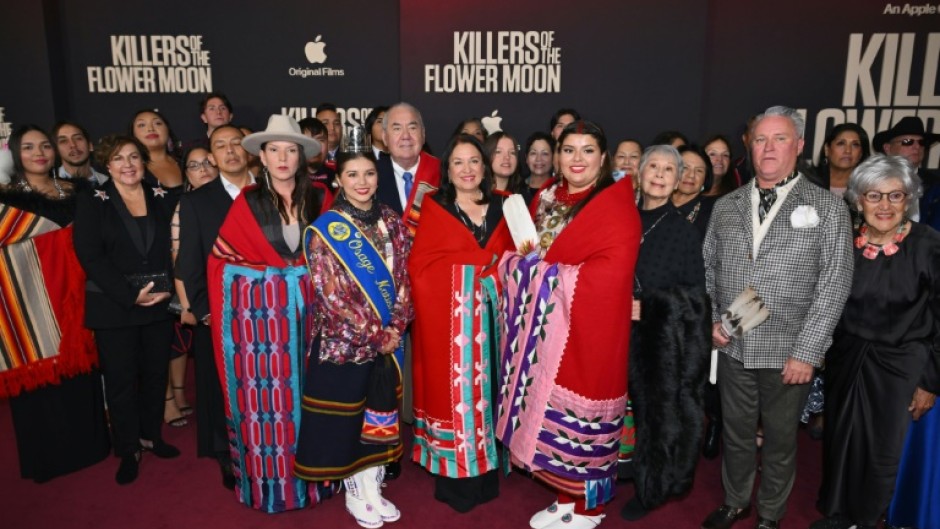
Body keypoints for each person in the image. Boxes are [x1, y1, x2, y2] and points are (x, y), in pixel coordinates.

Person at [701, 106, 853, 529]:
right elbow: (709, 268)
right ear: (749, 147)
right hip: (733, 341)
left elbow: (834, 284)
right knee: (735, 431)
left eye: (780, 138)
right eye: (761, 139)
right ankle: (735, 501)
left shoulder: (827, 207)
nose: (769, 148)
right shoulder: (727, 205)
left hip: (790, 350)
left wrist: (808, 352)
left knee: (782, 440)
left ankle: (770, 513)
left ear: (800, 146)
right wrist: (715, 320)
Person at [496, 120, 641, 529]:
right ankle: (564, 500)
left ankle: (589, 509)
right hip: (544, 331)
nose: (577, 159)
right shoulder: (545, 196)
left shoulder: (614, 206)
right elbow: (514, 250)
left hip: (589, 333)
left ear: (603, 157)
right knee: (545, 414)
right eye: (569, 150)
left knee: (581, 422)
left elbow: (608, 277)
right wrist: (516, 266)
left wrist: (540, 273)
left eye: (588, 150)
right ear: (557, 157)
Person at [206, 114, 327, 512]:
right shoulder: (248, 202)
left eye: (290, 150)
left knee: (316, 398)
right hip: (264, 329)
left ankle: (318, 483)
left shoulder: (320, 199)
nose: (282, 157)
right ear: (262, 155)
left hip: (315, 320)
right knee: (270, 407)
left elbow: (334, 256)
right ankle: (273, 487)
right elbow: (223, 263)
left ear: (301, 157)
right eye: (273, 149)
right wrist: (278, 279)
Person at [809, 154, 938, 529]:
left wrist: (930, 380)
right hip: (847, 357)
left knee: (882, 450)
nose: (884, 205)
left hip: (903, 363)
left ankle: (868, 519)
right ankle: (840, 514)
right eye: (873, 196)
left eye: (895, 196)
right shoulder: (844, 242)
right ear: (857, 199)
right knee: (841, 439)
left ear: (909, 198)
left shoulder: (930, 246)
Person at [294, 149, 413, 528]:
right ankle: (354, 490)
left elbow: (405, 281)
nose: (362, 182)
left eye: (368, 174)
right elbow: (332, 298)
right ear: (338, 181)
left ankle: (373, 485)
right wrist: (377, 335)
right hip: (343, 347)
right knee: (347, 422)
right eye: (352, 175)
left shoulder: (393, 221)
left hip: (387, 344)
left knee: (379, 417)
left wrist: (396, 326)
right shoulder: (325, 229)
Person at [409, 134, 512, 513]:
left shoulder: (506, 206)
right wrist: (474, 275)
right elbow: (419, 268)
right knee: (456, 398)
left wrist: (498, 276)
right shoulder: (433, 208)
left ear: (485, 168)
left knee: (492, 394)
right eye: (458, 163)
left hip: (496, 320)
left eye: (474, 162)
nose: (467, 170)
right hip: (449, 324)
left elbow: (525, 257)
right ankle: (456, 482)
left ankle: (488, 472)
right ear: (447, 171)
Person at [0, 125, 109, 483]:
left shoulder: (80, 192)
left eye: (45, 145)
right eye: (28, 147)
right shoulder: (7, 200)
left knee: (83, 372)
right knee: (41, 388)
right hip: (31, 301)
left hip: (79, 296)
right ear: (16, 154)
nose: (39, 153)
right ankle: (48, 457)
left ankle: (90, 446)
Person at [74, 134, 180, 485]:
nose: (128, 165)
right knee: (120, 382)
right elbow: (90, 255)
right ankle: (128, 448)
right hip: (115, 307)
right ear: (107, 164)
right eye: (119, 158)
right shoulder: (92, 200)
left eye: (134, 157)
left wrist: (170, 289)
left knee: (154, 375)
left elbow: (174, 248)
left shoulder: (161, 196)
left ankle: (151, 436)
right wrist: (130, 294)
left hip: (159, 304)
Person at [619, 145, 710, 521]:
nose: (659, 174)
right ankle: (618, 469)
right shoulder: (621, 219)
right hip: (611, 330)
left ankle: (650, 489)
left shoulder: (683, 232)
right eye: (652, 167)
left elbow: (696, 298)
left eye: (668, 170)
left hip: (656, 339)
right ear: (639, 173)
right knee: (616, 410)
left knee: (655, 416)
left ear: (677, 180)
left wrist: (652, 307)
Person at [176, 124, 253, 490]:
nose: (230, 151)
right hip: (219, 315)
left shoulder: (271, 190)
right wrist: (206, 312)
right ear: (213, 156)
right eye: (220, 146)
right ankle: (227, 453)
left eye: (236, 143)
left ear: (249, 149)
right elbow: (188, 263)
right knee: (217, 386)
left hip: (273, 312)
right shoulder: (197, 201)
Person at [163, 146, 219, 429]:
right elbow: (179, 260)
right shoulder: (186, 205)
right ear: (186, 175)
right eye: (195, 166)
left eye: (209, 163)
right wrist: (188, 306)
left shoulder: (234, 199)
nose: (204, 170)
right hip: (201, 300)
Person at [376, 102, 442, 233]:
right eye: (397, 129)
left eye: (412, 128)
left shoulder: (443, 172)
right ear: (384, 138)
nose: (406, 136)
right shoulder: (371, 175)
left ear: (423, 135)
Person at [873, 116, 940, 229]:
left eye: (921, 142)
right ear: (888, 148)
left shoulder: (936, 183)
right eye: (907, 142)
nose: (917, 146)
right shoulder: (871, 181)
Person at [129, 109, 184, 207]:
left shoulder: (187, 162)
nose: (150, 129)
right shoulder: (129, 171)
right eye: (142, 125)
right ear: (133, 135)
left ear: (168, 130)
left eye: (157, 123)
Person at [812, 123, 871, 198]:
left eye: (855, 145)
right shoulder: (808, 180)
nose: (848, 151)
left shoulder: (870, 185)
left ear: (861, 153)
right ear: (827, 149)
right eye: (841, 143)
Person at [673, 145, 717, 239]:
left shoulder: (714, 212)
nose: (691, 175)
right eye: (685, 168)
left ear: (705, 179)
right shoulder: (654, 202)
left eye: (699, 171)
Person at [51, 121, 108, 185]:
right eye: (63, 141)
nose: (73, 145)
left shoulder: (107, 183)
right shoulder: (49, 183)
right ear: (56, 151)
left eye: (78, 138)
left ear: (90, 145)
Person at [484, 131, 526, 199]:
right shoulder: (478, 197)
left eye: (512, 152)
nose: (507, 157)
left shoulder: (525, 199)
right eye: (498, 152)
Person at [523, 131, 555, 201]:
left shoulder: (559, 189)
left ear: (553, 158)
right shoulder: (516, 189)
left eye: (545, 154)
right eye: (533, 153)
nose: (539, 159)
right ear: (526, 158)